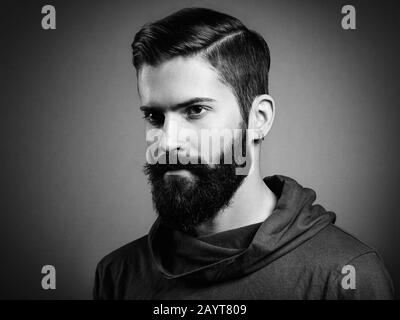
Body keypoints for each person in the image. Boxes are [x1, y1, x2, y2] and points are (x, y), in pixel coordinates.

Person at [93, 7, 394, 299]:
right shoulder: (118, 274)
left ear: (258, 118)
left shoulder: (345, 274)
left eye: (196, 110)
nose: (168, 143)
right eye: (154, 117)